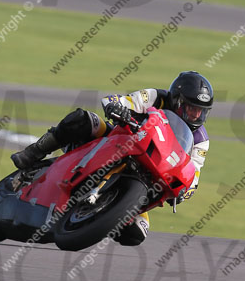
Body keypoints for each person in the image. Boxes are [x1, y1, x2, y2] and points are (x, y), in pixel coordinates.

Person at [11, 71, 213, 246]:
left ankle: (96, 219)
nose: (196, 115)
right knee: (83, 119)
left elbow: (193, 171)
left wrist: (185, 191)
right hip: (120, 140)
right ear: (177, 100)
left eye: (201, 111)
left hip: (152, 172)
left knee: (136, 234)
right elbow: (121, 100)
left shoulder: (201, 140)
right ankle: (35, 152)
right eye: (191, 108)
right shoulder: (155, 97)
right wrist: (116, 107)